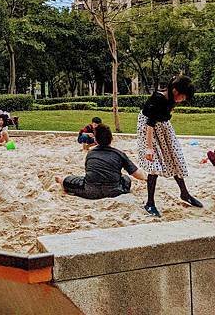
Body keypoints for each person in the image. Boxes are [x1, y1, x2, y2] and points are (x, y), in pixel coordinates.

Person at [138, 75, 203, 217]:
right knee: (154, 165)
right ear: (175, 91)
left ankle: (184, 194)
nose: (183, 100)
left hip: (163, 127)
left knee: (174, 157)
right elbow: (149, 124)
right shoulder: (158, 99)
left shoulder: (170, 99)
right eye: (183, 97)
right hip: (149, 129)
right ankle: (150, 203)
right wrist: (149, 148)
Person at [56, 124, 146, 199]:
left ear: (95, 140)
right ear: (111, 138)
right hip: (114, 191)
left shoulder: (90, 154)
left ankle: (61, 180)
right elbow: (137, 174)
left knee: (69, 180)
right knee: (126, 178)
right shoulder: (119, 154)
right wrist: (146, 178)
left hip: (90, 191)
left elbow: (89, 172)